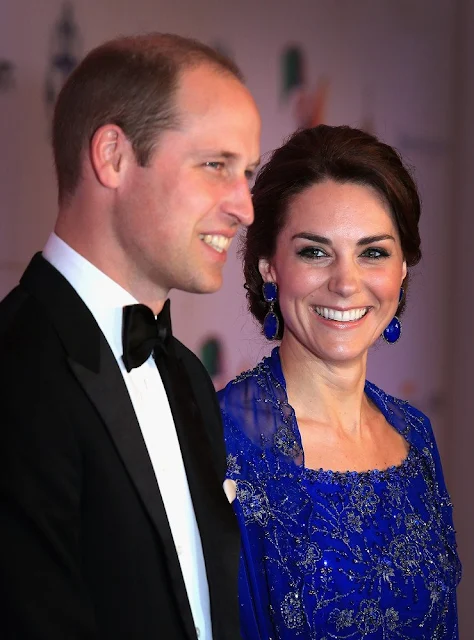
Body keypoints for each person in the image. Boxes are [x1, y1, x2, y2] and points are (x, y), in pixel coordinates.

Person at [0, 33, 260, 640]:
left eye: (246, 172)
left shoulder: (189, 378)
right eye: (216, 166)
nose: (244, 207)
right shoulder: (14, 372)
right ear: (113, 156)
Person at [219, 125, 461, 639]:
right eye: (315, 252)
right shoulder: (220, 440)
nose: (346, 283)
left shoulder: (414, 435)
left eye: (373, 252)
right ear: (269, 268)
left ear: (403, 272)